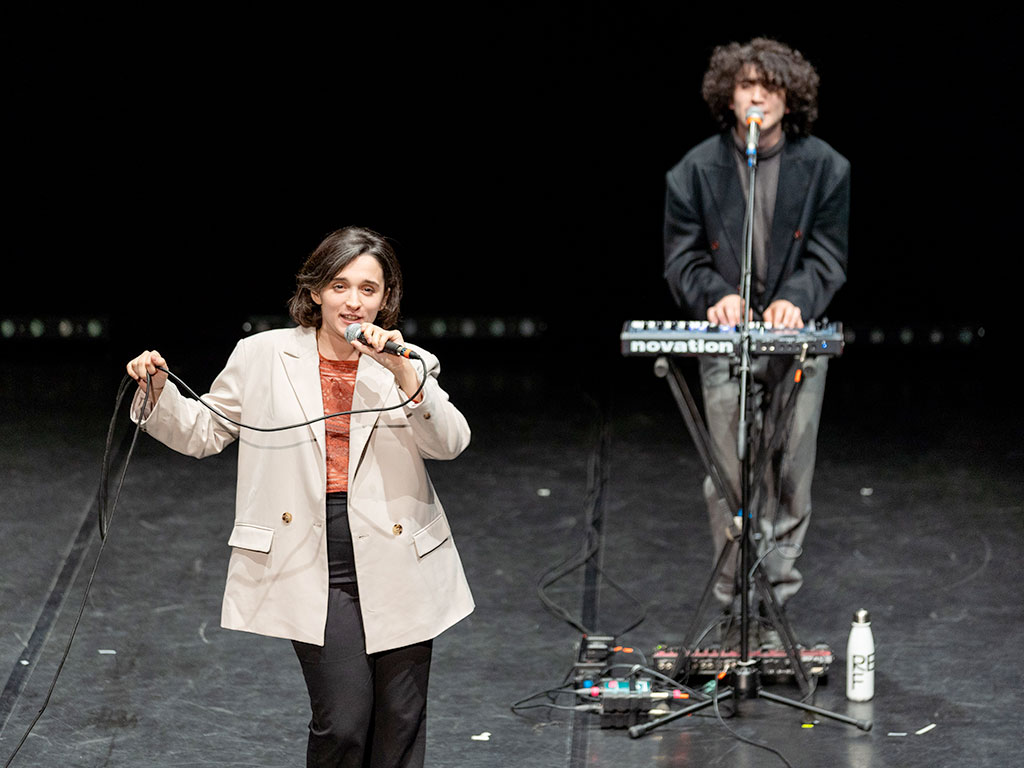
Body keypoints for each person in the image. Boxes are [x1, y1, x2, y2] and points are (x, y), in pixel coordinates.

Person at [126, 226, 473, 767]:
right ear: (315, 291)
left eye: (368, 289)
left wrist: (405, 375)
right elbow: (203, 431)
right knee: (343, 720)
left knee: (400, 720)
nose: (353, 302)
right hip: (310, 557)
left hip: (399, 555)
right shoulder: (262, 355)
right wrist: (156, 393)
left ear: (385, 298)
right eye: (340, 286)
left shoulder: (409, 361)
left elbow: (449, 443)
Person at [663, 38, 850, 645]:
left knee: (792, 473)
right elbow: (682, 258)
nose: (758, 97)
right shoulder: (693, 171)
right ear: (729, 95)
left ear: (789, 100)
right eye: (747, 85)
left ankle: (774, 605)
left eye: (770, 87)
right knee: (730, 478)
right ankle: (733, 607)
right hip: (727, 344)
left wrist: (796, 297)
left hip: (795, 344)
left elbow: (828, 255)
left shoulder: (826, 167)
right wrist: (715, 294)